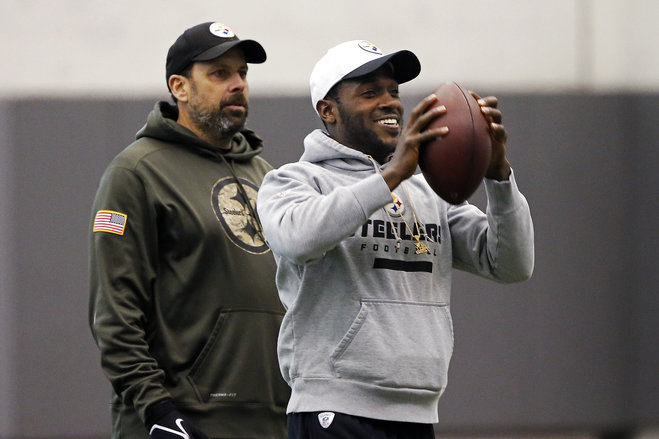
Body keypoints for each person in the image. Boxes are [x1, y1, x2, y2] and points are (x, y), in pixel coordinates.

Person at [256, 40, 535, 439]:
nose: (390, 103)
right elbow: (299, 238)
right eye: (370, 92)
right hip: (334, 409)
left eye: (394, 92)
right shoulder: (293, 181)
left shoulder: (427, 191)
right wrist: (390, 177)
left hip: (417, 414)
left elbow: (511, 265)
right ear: (328, 110)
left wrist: (499, 175)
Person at [89, 22, 290, 439]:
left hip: (275, 422)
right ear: (180, 87)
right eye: (220, 74)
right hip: (181, 423)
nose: (237, 84)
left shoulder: (268, 176)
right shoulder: (137, 172)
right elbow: (115, 313)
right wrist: (155, 409)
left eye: (243, 73)